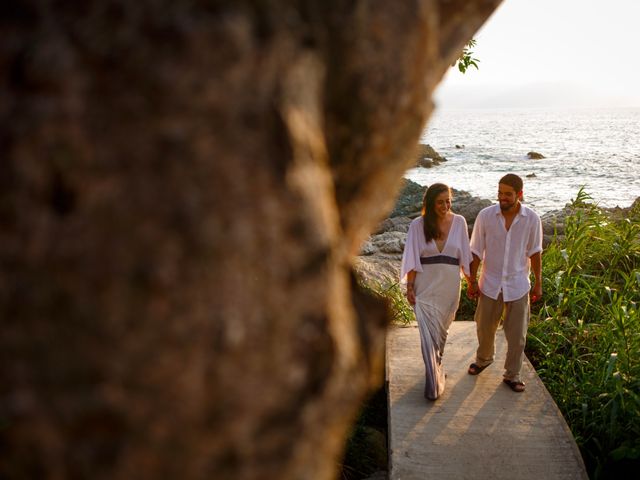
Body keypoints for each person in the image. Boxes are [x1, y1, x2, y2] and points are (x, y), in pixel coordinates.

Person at [466, 173, 543, 393]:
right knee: (484, 328)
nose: (502, 198)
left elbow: (536, 252)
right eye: (500, 193)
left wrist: (538, 283)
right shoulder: (486, 216)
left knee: (517, 335)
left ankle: (513, 375)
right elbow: (475, 250)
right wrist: (471, 281)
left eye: (508, 194)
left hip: (518, 284)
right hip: (490, 282)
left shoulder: (532, 219)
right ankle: (483, 359)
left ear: (520, 194)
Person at [401, 183, 473, 401]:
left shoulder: (459, 222)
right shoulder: (418, 225)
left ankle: (437, 365)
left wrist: (472, 283)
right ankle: (433, 380)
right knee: (427, 334)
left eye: (448, 201)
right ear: (431, 203)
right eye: (440, 202)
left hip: (450, 285)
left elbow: (466, 257)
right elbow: (412, 258)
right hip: (426, 284)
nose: (445, 205)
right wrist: (410, 287)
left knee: (441, 332)